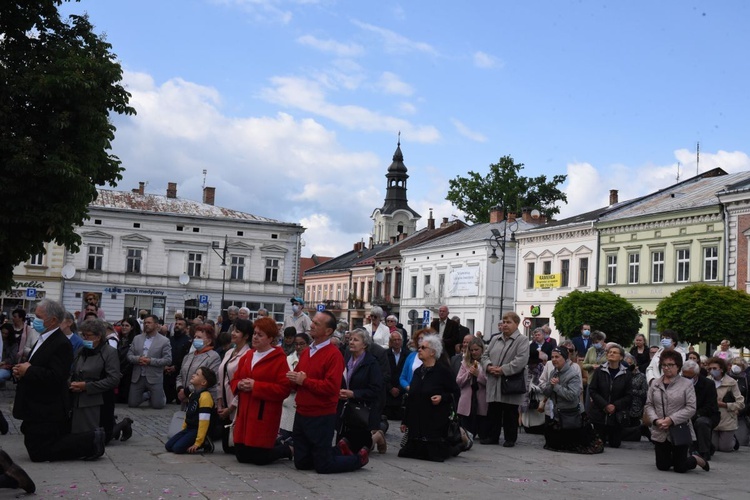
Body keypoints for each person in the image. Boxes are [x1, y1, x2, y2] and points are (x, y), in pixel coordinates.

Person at [12, 299, 105, 462]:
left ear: (53, 320)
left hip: (47, 406)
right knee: (36, 447)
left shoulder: (61, 343)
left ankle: (91, 440)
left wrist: (29, 370)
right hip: (35, 404)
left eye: (39, 317)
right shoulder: (43, 338)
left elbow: (57, 376)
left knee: (40, 452)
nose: (36, 320)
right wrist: (22, 371)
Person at [286, 310, 369, 473]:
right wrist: (293, 381)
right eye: (313, 322)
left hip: (321, 415)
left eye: (317, 323)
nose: (311, 325)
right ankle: (338, 450)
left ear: (328, 331)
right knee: (301, 463)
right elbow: (299, 381)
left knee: (323, 466)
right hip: (302, 412)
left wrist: (304, 381)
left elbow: (331, 388)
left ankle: (358, 459)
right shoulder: (307, 352)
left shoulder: (334, 355)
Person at [230, 317, 293, 464]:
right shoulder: (248, 355)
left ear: (270, 338)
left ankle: (287, 449)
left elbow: (284, 389)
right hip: (245, 412)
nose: (255, 337)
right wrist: (239, 385)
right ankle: (278, 444)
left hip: (263, 413)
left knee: (260, 458)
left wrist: (256, 386)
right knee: (241, 456)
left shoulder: (279, 359)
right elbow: (234, 379)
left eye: (260, 335)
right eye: (255, 333)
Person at [644, 350, 709, 473]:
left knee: (680, 468)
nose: (667, 368)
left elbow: (691, 408)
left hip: (679, 429)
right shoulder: (655, 384)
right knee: (662, 466)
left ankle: (695, 459)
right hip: (660, 428)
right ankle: (672, 459)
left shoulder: (686, 384)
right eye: (664, 365)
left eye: (670, 365)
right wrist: (656, 420)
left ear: (678, 366)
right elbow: (649, 404)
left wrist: (671, 420)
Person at [398, 334, 461, 462]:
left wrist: (442, 397)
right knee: (407, 453)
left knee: (433, 455)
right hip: (416, 423)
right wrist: (405, 421)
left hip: (435, 421)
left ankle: (458, 444)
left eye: (423, 347)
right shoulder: (417, 372)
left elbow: (455, 392)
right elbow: (412, 396)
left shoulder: (443, 371)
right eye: (419, 347)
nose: (419, 350)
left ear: (432, 352)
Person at [70, 319, 129, 444]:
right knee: (80, 434)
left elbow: (113, 379)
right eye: (83, 335)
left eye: (87, 336)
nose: (84, 338)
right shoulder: (81, 351)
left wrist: (87, 386)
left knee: (103, 437)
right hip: (79, 398)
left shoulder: (109, 352)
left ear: (98, 337)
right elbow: (73, 371)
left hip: (100, 399)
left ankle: (124, 424)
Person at [480, 311, 529, 447]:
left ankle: (510, 438)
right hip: (494, 380)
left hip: (510, 382)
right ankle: (492, 436)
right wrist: (489, 366)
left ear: (516, 324)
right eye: (504, 322)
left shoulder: (522, 340)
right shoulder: (495, 339)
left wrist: (503, 370)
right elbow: (484, 355)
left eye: (509, 322)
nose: (505, 325)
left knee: (510, 412)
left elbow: (521, 360)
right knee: (493, 410)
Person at [337, 328, 384, 454]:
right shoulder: (346, 359)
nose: (351, 342)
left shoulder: (371, 363)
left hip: (363, 409)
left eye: (356, 340)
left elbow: (376, 390)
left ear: (364, 344)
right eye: (350, 339)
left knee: (360, 447)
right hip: (346, 408)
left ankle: (377, 436)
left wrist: (354, 394)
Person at [588, 343, 632, 448]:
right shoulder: (599, 371)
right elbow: (593, 390)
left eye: (615, 352)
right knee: (599, 443)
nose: (611, 354)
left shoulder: (626, 374)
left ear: (621, 357)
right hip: (600, 413)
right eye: (610, 352)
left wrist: (615, 406)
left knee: (615, 444)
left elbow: (629, 395)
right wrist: (605, 405)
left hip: (616, 416)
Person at [540, 347, 584, 452]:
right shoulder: (553, 372)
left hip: (570, 416)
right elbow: (546, 393)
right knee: (551, 444)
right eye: (552, 357)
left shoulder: (573, 375)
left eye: (557, 357)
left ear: (564, 358)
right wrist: (550, 385)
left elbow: (572, 395)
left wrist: (556, 386)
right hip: (556, 415)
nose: (554, 359)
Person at [165, 366, 216, 454]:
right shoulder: (192, 394)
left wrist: (198, 442)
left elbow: (204, 422)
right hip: (189, 428)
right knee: (169, 446)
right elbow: (188, 413)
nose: (193, 375)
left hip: (197, 429)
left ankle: (205, 442)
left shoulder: (205, 397)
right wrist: (183, 429)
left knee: (177, 449)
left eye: (197, 374)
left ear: (203, 382)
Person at [127, 314, 172, 409]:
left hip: (154, 376)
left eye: (149, 323)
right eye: (144, 323)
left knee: (157, 406)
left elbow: (168, 360)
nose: (146, 325)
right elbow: (129, 356)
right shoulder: (137, 338)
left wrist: (150, 361)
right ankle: (147, 395)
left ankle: (159, 395)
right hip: (138, 376)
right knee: (132, 404)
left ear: (156, 325)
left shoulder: (164, 341)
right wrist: (138, 359)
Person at [681, 360, 719, 461]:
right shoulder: (679, 383)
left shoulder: (708, 384)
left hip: (705, 414)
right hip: (685, 413)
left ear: (696, 375)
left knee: (701, 422)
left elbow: (710, 406)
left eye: (689, 377)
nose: (686, 379)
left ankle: (704, 451)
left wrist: (695, 414)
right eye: (685, 376)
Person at [707, 357, 745, 452]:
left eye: (715, 368)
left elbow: (740, 403)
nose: (712, 371)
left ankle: (733, 440)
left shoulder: (731, 382)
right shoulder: (707, 381)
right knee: (714, 447)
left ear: (721, 369)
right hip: (713, 418)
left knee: (725, 448)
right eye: (710, 369)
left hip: (727, 418)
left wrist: (725, 405)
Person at [176, 324, 222, 404]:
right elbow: (180, 375)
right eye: (195, 337)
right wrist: (180, 388)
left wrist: (186, 391)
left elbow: (209, 380)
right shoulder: (188, 356)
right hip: (186, 400)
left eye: (199, 337)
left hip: (203, 401)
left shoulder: (213, 357)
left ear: (209, 341)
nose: (195, 339)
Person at [279, 332, 311, 441]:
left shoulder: (311, 359)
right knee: (284, 435)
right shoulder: (288, 359)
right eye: (296, 344)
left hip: (303, 399)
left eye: (302, 344)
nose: (299, 347)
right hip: (288, 401)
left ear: (308, 344)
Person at [456, 337, 488, 439]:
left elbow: (489, 383)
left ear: (482, 350)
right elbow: (459, 381)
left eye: (476, 350)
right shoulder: (464, 363)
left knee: (483, 433)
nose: (474, 352)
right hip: (467, 402)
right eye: (472, 350)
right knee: (467, 434)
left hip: (481, 400)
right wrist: (469, 374)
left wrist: (478, 375)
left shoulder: (486, 364)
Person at [164, 317, 191, 404]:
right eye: (176, 324)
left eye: (180, 324)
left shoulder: (188, 341)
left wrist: (175, 367)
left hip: (179, 373)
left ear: (186, 328)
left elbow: (186, 357)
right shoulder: (169, 340)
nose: (177, 326)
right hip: (167, 373)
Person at [399, 328, 433, 393]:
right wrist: (408, 387)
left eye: (422, 338)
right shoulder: (411, 356)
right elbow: (402, 378)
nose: (420, 341)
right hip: (412, 393)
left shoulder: (433, 356)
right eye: (418, 339)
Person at [385, 330, 408, 420]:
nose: (397, 342)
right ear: (390, 342)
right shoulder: (385, 354)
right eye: (394, 340)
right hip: (388, 391)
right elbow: (382, 373)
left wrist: (400, 388)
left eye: (399, 340)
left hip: (402, 390)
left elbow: (408, 374)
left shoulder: (407, 354)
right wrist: (390, 388)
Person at [728, 357, 749, 446]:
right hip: (726, 413)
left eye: (739, 365)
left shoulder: (747, 380)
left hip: (741, 414)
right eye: (734, 364)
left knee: (742, 442)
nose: (736, 366)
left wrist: (740, 410)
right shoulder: (726, 378)